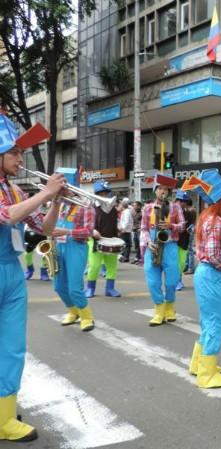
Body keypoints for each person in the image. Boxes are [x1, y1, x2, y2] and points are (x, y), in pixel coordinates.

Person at [0, 115, 64, 442]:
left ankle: (5, 416)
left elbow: (45, 229)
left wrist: (55, 201)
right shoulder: (9, 196)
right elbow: (6, 216)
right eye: (14, 154)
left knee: (12, 347)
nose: (20, 160)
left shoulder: (12, 189)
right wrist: (46, 192)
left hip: (11, 270)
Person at [184, 169, 221, 388]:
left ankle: (198, 364)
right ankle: (206, 374)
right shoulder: (217, 222)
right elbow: (213, 255)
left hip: (205, 276)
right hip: (211, 275)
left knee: (208, 322)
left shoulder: (207, 217)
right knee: (216, 323)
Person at [51, 168, 96, 331]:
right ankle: (73, 311)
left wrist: (67, 232)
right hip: (58, 246)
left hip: (76, 247)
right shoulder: (60, 202)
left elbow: (89, 232)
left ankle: (86, 316)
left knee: (74, 287)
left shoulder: (86, 203)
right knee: (58, 286)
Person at [141, 173, 185, 326]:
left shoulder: (176, 207)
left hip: (170, 246)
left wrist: (171, 226)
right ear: (155, 190)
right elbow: (144, 229)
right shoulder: (147, 208)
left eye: (166, 189)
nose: (163, 191)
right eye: (160, 188)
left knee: (172, 282)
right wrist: (148, 242)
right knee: (153, 282)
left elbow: (182, 226)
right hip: (153, 247)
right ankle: (159, 310)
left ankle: (170, 308)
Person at [85, 181, 121, 298]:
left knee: (112, 266)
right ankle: (90, 288)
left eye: (106, 193)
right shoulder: (91, 208)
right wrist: (92, 230)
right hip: (95, 241)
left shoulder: (113, 209)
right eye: (101, 193)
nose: (104, 196)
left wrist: (119, 230)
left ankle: (110, 289)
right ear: (96, 194)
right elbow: (85, 224)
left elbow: (115, 223)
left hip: (111, 240)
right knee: (94, 266)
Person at [174, 190, 195, 291]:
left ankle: (179, 280)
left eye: (184, 202)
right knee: (173, 263)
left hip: (184, 242)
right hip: (172, 242)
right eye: (180, 201)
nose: (182, 204)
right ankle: (175, 281)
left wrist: (190, 228)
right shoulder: (171, 213)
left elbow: (192, 225)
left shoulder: (189, 214)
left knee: (181, 263)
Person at [117, 198, 133, 262]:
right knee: (126, 244)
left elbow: (126, 222)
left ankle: (125, 257)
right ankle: (124, 257)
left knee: (126, 244)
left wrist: (122, 228)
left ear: (123, 206)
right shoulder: (125, 211)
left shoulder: (126, 212)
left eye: (120, 205)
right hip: (125, 230)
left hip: (125, 231)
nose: (119, 206)